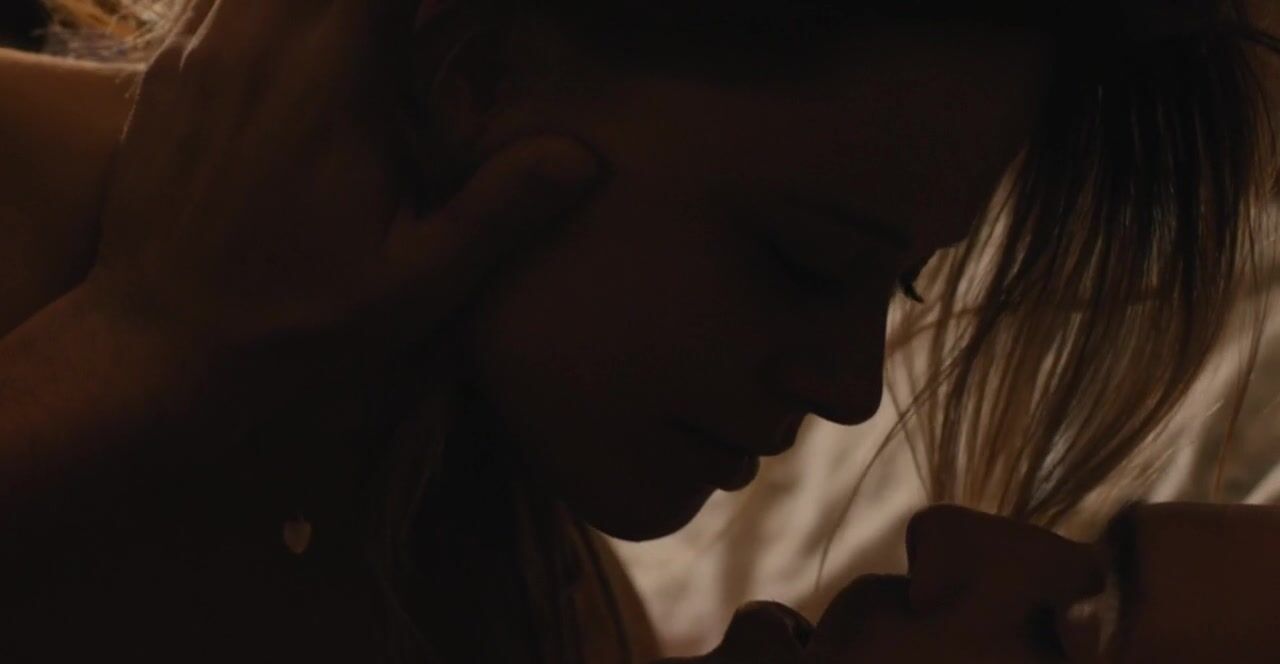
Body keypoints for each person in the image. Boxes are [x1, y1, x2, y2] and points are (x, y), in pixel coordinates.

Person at [1, 0, 1278, 662]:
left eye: (892, 285)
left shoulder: (490, 544)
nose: (848, 385)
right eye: (802, 260)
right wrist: (140, 353)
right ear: (474, 77)